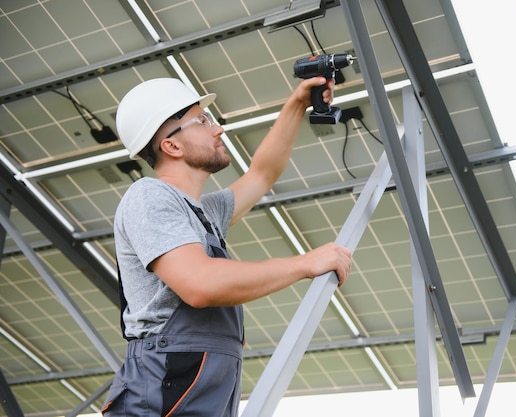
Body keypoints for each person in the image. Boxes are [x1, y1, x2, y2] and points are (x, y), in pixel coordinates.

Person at [100, 77, 352, 417]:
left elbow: (262, 173)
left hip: (202, 383)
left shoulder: (205, 213)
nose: (217, 129)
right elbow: (200, 283)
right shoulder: (149, 196)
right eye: (202, 120)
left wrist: (297, 104)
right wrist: (305, 264)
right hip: (164, 382)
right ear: (172, 147)